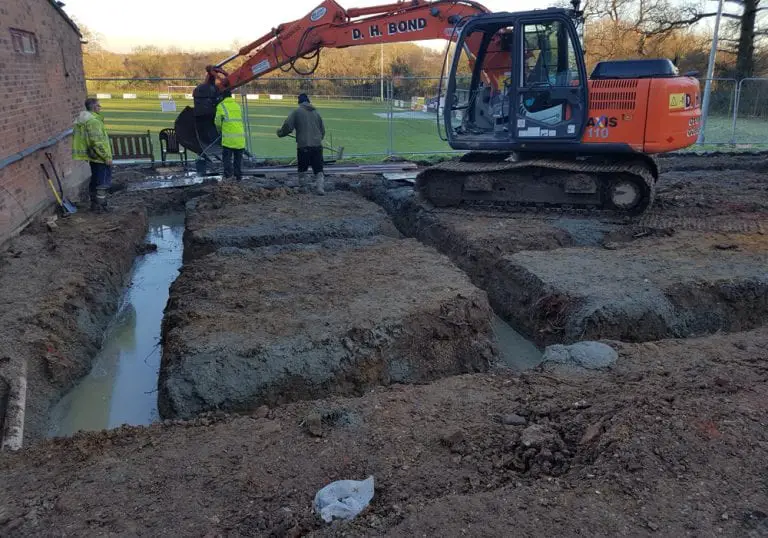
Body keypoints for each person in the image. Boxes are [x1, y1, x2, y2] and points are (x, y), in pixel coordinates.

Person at [276, 93, 326, 195]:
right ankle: (320, 188)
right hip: (317, 145)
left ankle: (304, 188)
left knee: (302, 168)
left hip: (304, 146)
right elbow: (322, 130)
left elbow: (288, 127)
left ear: (299, 102)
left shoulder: (297, 112)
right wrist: (317, 139)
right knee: (318, 168)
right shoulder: (316, 113)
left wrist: (280, 133)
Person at [72, 98, 112, 212]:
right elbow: (97, 142)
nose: (100, 107)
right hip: (99, 158)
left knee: (95, 180)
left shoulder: (84, 120)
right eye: (99, 105)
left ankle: (94, 205)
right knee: (102, 183)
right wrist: (106, 157)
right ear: (94, 107)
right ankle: (101, 207)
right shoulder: (93, 122)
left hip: (93, 156)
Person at [215, 90, 247, 180]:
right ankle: (238, 177)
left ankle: (228, 177)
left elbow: (217, 122)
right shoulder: (237, 105)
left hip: (228, 139)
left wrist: (219, 130)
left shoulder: (221, 106)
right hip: (240, 138)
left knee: (227, 159)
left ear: (222, 97)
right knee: (238, 160)